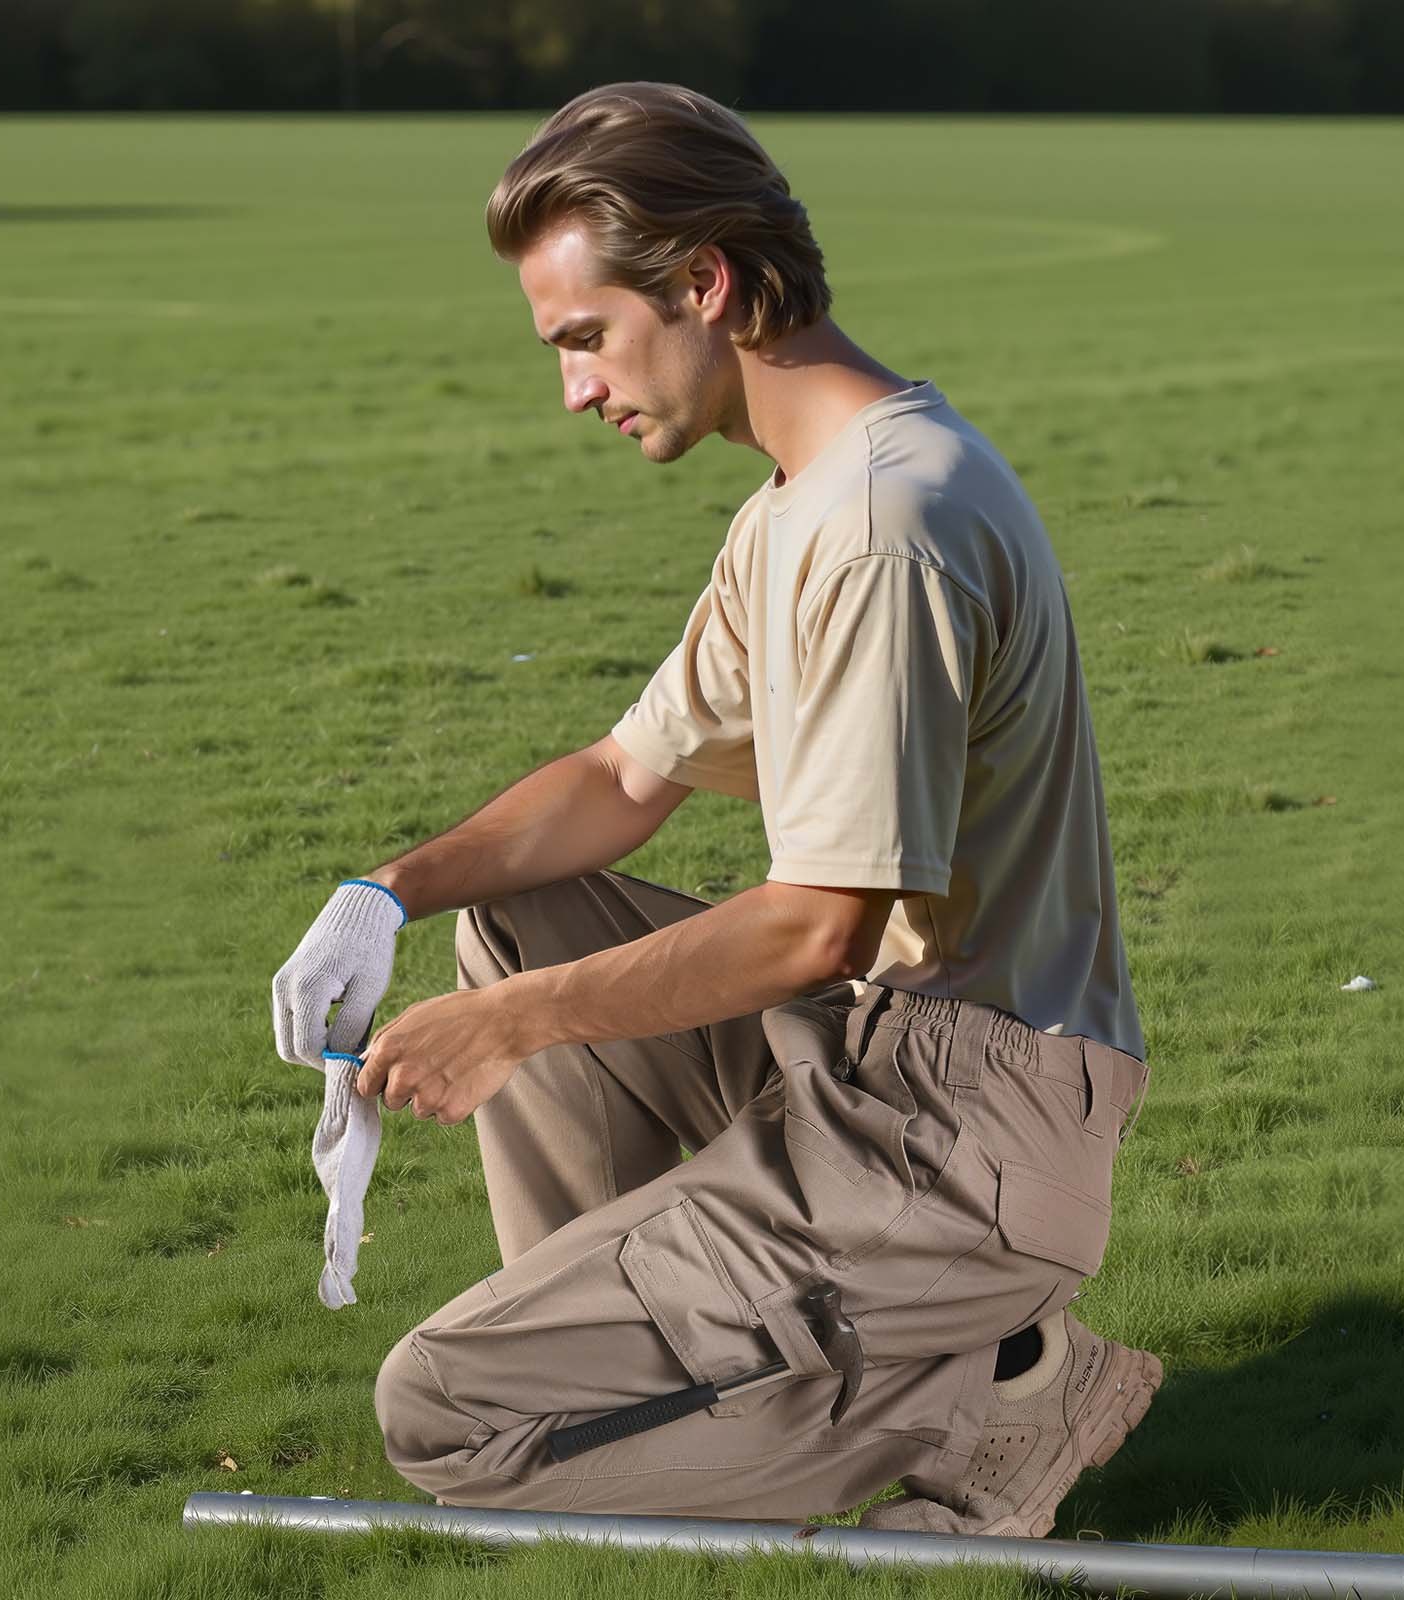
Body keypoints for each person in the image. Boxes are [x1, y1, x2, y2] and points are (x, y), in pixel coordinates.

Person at [271, 80, 1158, 1535]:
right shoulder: (802, 508)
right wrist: (386, 892)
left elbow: (819, 924)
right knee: (519, 914)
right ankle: (625, 1351)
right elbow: (626, 781)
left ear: (704, 281)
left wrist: (514, 1024)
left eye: (583, 339)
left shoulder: (885, 530)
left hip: (967, 1139)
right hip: (880, 1064)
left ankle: (998, 1399)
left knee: (444, 1415)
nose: (573, 388)